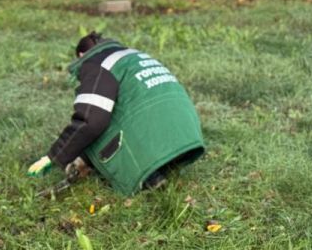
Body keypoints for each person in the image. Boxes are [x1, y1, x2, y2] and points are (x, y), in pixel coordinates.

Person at [29, 32, 205, 195]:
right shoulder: (132, 55)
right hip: (189, 136)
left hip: (155, 139)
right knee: (116, 107)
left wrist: (55, 156)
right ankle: (158, 165)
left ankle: (149, 176)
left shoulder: (96, 64)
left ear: (82, 55)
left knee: (97, 118)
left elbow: (91, 120)